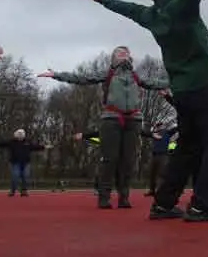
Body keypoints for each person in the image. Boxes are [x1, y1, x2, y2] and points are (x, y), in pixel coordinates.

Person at [88, 0, 208, 222]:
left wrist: (102, 0)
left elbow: (127, 8)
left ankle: (164, 202)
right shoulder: (182, 7)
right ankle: (203, 204)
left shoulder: (151, 15)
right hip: (203, 84)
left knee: (188, 145)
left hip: (181, 89)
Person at [38, 46, 168, 210]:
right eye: (120, 53)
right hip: (111, 119)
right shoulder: (108, 74)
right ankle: (104, 197)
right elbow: (82, 78)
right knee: (109, 159)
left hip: (133, 120)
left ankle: (124, 197)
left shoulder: (136, 77)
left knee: (128, 161)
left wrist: (180, 79)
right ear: (114, 58)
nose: (124, 55)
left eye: (127, 53)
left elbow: (156, 83)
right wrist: (57, 75)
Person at [0, 129, 51, 196]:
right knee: (15, 176)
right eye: (19, 134)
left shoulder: (28, 142)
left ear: (24, 135)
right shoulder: (12, 142)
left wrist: (45, 147)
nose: (20, 136)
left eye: (22, 135)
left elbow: (36, 147)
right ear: (16, 135)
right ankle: (13, 190)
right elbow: (0, 144)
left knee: (25, 176)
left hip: (26, 163)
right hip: (15, 162)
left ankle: (24, 191)